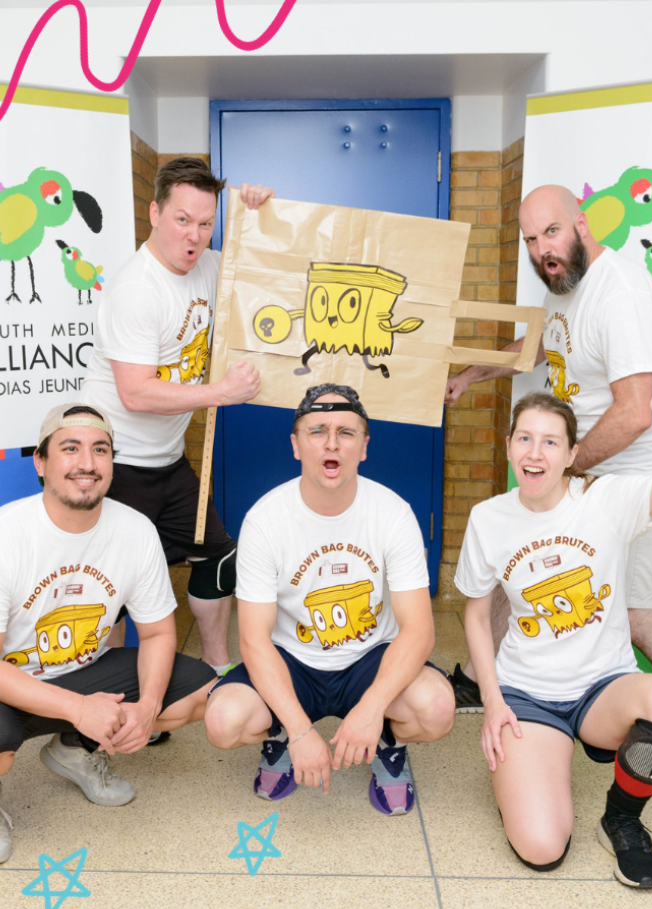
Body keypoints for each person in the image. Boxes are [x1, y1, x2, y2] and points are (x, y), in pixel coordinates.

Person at [444, 184, 652, 762]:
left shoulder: (618, 293)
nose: (541, 248)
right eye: (530, 239)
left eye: (550, 232)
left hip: (629, 475)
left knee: (629, 611)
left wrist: (566, 472)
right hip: (582, 469)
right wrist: (473, 374)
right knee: (511, 567)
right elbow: (538, 344)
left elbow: (633, 411)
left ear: (581, 222)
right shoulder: (563, 285)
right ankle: (485, 678)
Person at [453, 384, 652, 889]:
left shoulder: (607, 499)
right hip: (526, 695)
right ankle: (529, 773)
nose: (536, 453)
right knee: (541, 848)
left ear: (572, 454)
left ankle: (621, 817)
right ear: (510, 445)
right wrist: (492, 702)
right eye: (525, 439)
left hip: (604, 690)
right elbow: (474, 616)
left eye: (551, 442)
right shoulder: (488, 518)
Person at [202, 385, 455, 815]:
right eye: (317, 430)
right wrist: (301, 732)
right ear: (296, 445)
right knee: (223, 720)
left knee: (437, 708)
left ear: (365, 447)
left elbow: (418, 631)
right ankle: (279, 734)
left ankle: (387, 739)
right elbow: (253, 641)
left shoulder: (393, 513)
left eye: (346, 432)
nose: (332, 443)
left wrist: (373, 709)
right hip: (292, 659)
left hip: (371, 655)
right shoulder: (265, 519)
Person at [81, 157, 274, 675]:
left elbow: (259, 266)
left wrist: (255, 214)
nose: (194, 236)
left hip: (168, 460)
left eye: (206, 223)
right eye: (182, 220)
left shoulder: (208, 264)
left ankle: (215, 669)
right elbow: (137, 393)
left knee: (217, 556)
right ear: (155, 214)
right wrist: (221, 392)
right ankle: (109, 698)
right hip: (116, 464)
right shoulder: (136, 289)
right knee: (114, 585)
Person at [0, 404, 217, 862]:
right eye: (70, 448)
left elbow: (158, 634)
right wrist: (78, 708)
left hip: (83, 672)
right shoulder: (8, 534)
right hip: (10, 685)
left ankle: (75, 750)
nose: (87, 462)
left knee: (204, 695)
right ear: (41, 462)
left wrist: (148, 708)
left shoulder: (135, 530)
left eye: (100, 450)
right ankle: (75, 728)